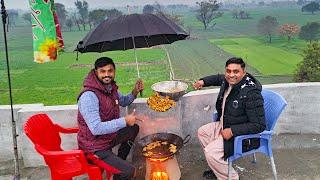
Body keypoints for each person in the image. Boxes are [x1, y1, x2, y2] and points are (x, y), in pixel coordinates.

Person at [193, 57, 266, 180]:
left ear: (244, 72)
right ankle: (219, 168)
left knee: (211, 153)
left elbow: (259, 125)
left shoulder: (251, 93)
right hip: (227, 123)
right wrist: (202, 82)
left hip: (241, 136)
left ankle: (231, 177)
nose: (231, 75)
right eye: (228, 71)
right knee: (203, 132)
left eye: (236, 71)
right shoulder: (229, 80)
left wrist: (232, 131)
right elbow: (218, 78)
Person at [77, 57, 144, 180]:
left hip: (108, 137)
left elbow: (123, 101)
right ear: (96, 72)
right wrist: (124, 121)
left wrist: (135, 91)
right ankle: (121, 172)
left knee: (133, 128)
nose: (107, 74)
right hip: (95, 147)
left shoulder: (110, 89)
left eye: (110, 70)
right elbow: (96, 128)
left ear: (114, 71)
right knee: (129, 172)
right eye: (102, 71)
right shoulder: (89, 96)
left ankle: (120, 160)